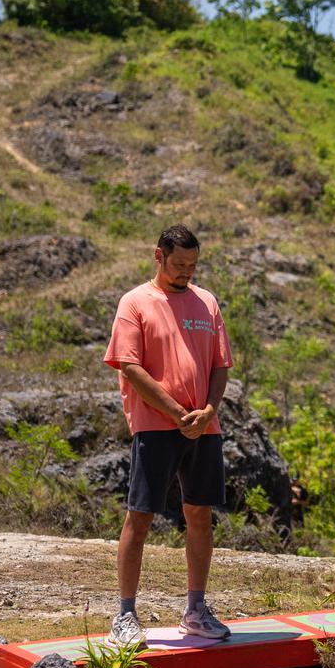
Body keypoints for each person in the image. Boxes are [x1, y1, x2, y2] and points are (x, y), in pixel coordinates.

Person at [103, 224, 234, 644]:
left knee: (200, 515)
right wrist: (177, 412)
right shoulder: (135, 302)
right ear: (158, 256)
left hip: (203, 427)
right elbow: (130, 366)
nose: (186, 272)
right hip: (156, 426)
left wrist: (209, 410)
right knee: (140, 516)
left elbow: (220, 365)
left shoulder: (207, 302)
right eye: (179, 264)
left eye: (193, 265)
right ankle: (125, 615)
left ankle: (195, 610)